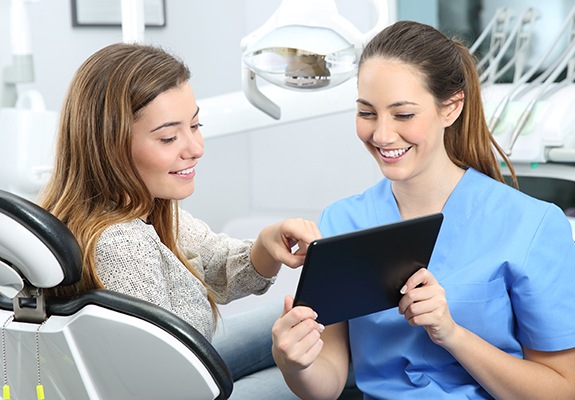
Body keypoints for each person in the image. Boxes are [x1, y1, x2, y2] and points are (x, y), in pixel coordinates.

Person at [271, 20, 575, 399]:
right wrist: (295, 363)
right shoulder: (343, 221)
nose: (381, 135)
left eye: (403, 115)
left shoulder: (533, 225)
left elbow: (562, 390)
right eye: (367, 113)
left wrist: (452, 334)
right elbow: (328, 382)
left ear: (451, 108)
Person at [38, 42, 319, 399]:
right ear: (110, 146)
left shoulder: (138, 207)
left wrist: (266, 244)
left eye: (195, 125)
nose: (195, 147)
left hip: (173, 371)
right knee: (318, 372)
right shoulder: (121, 244)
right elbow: (164, 385)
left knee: (315, 318)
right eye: (169, 137)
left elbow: (214, 263)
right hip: (174, 388)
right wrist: (301, 373)